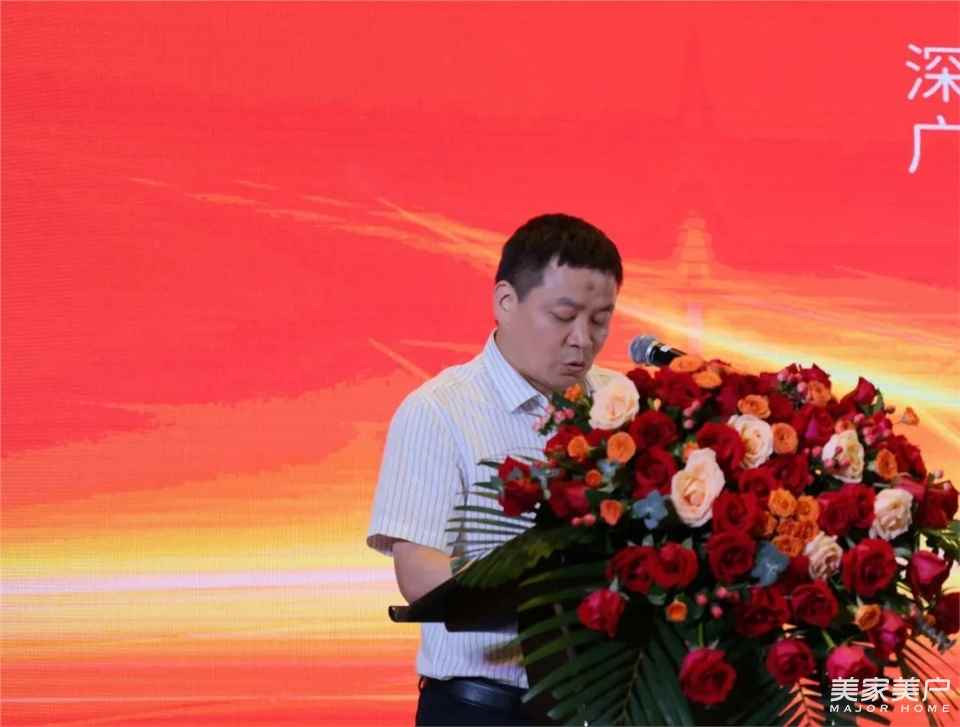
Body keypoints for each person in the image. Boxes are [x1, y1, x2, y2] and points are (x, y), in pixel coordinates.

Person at [367, 213, 625, 725]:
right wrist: (555, 592)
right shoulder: (440, 411)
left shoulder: (622, 402)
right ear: (505, 301)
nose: (582, 339)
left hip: (607, 707)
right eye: (564, 316)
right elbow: (418, 574)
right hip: (484, 711)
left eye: (600, 319)